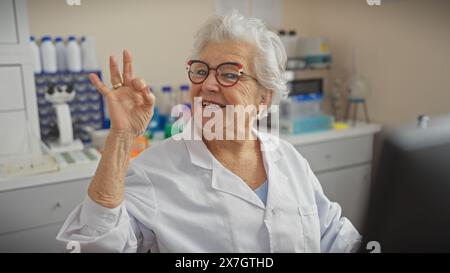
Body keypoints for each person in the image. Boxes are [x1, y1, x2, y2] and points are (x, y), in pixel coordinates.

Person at [57, 12, 361, 253]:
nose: (208, 85)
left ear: (264, 98)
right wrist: (120, 137)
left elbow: (335, 237)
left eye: (230, 74)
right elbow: (93, 247)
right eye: (201, 71)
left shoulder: (289, 160)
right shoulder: (155, 171)